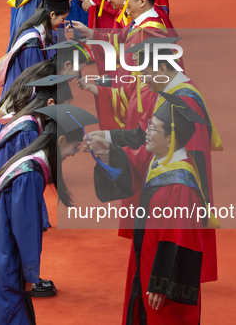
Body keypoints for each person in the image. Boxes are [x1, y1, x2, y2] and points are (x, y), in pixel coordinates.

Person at [0, 104, 99, 325]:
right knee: (5, 315)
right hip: (1, 256)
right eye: (74, 147)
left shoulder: (29, 159)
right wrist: (30, 275)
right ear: (60, 141)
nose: (72, 154)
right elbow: (26, 229)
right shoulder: (30, 174)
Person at [87, 92, 216, 324]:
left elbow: (179, 239)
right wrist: (106, 150)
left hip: (161, 276)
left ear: (170, 137)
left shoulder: (181, 185)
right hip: (145, 261)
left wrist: (162, 283)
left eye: (154, 128)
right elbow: (133, 164)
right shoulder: (159, 159)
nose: (146, 131)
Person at [0, 76, 76, 303]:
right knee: (0, 294)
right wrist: (30, 275)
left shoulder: (30, 121)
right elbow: (24, 211)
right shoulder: (29, 136)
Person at [0, 0, 75, 147]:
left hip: (19, 91)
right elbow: (37, 81)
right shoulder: (32, 45)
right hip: (22, 98)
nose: (64, 23)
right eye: (63, 18)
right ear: (52, 14)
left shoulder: (34, 29)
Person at [69, 0, 175, 86]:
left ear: (142, 2)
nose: (124, 4)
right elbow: (118, 39)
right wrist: (88, 31)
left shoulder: (151, 31)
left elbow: (147, 79)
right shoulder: (137, 24)